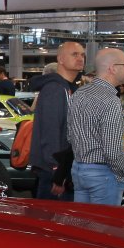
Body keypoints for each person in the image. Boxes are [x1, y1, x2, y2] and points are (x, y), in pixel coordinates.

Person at [66, 47, 124, 206]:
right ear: (113, 68)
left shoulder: (78, 94)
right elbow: (112, 152)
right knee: (104, 222)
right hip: (103, 175)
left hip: (78, 170)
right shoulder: (111, 100)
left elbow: (69, 135)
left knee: (83, 221)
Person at [27, 40, 85, 200]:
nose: (80, 58)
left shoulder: (67, 88)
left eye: (82, 55)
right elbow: (50, 132)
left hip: (63, 169)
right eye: (74, 54)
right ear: (60, 59)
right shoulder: (55, 89)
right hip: (54, 172)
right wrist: (57, 173)